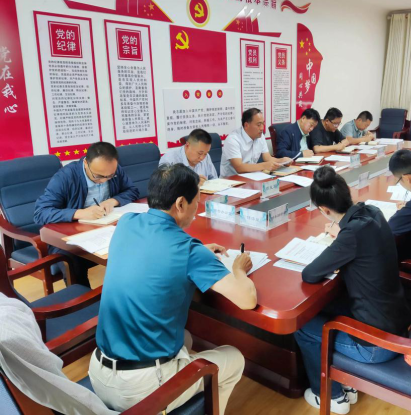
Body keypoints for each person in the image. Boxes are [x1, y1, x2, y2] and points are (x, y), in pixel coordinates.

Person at [89, 164, 257, 415]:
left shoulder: (126, 222)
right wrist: (239, 269)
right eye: (196, 202)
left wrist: (199, 253)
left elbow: (151, 253)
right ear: (180, 203)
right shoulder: (188, 250)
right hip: (139, 389)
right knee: (234, 358)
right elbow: (247, 300)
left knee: (186, 339)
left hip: (99, 372)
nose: (197, 210)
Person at [295, 166, 411, 415]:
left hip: (376, 347)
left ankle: (330, 395)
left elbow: (310, 274)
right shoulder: (373, 212)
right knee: (329, 307)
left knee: (303, 326)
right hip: (397, 322)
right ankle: (346, 380)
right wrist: (342, 236)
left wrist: (341, 240)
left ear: (324, 210)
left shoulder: (351, 236)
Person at [34, 142, 140, 287]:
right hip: (69, 235)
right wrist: (80, 213)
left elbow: (132, 190)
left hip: (104, 228)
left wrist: (113, 201)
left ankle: (126, 293)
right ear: (85, 163)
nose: (104, 180)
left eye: (110, 176)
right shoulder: (65, 177)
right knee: (73, 262)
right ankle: (84, 300)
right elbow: (40, 212)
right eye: (98, 176)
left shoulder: (113, 170)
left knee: (135, 244)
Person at [220, 108, 292, 178]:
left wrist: (282, 161)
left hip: (251, 177)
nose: (262, 128)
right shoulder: (233, 140)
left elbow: (267, 158)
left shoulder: (260, 136)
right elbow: (239, 167)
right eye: (258, 125)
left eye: (263, 124)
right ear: (246, 125)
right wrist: (264, 165)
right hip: (232, 181)